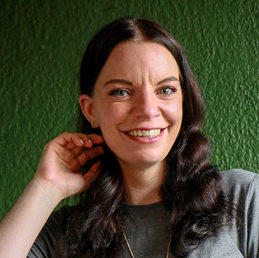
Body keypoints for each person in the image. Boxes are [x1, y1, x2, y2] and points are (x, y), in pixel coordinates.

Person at [0, 17, 258, 258]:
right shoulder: (64, 233)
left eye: (166, 89)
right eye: (121, 92)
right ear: (91, 110)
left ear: (183, 100)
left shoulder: (243, 198)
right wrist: (46, 187)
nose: (147, 109)